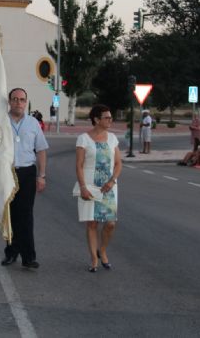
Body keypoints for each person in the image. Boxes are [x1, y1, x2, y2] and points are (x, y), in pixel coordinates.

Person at [1, 88, 48, 269]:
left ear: (26, 102)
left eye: (22, 100)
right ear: (10, 102)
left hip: (27, 173)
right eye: (15, 99)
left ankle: (28, 257)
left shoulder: (33, 123)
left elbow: (41, 150)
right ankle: (11, 253)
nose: (18, 103)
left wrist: (41, 176)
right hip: (7, 173)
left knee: (26, 214)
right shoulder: (1, 122)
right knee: (10, 215)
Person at [74, 104, 122, 273]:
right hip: (90, 185)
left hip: (108, 187)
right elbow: (79, 165)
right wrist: (82, 187)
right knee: (92, 224)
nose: (110, 120)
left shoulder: (112, 139)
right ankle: (94, 258)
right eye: (107, 117)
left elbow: (118, 163)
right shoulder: (83, 139)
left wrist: (112, 180)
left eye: (110, 117)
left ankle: (102, 249)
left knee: (110, 224)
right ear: (96, 119)